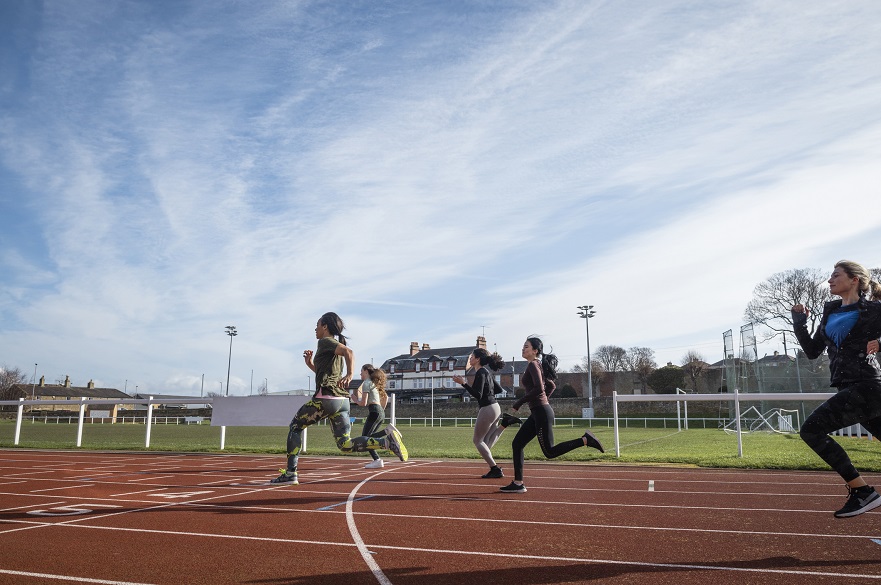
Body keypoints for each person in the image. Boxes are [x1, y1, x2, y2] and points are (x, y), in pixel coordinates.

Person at [271, 312, 407, 484]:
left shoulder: (325, 341)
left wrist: (350, 374)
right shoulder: (332, 346)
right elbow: (326, 373)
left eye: (317, 324)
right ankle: (386, 442)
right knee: (345, 444)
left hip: (326, 399)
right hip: (342, 402)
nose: (315, 328)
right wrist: (310, 364)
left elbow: (349, 352)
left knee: (295, 427)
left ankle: (291, 473)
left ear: (325, 326)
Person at [792, 260, 881, 517]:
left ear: (854, 280)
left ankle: (862, 492)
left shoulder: (874, 310)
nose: (830, 280)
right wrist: (799, 323)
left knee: (811, 431)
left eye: (836, 275)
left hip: (867, 385)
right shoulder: (830, 311)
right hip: (849, 387)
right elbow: (812, 351)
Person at [499, 336, 604, 493]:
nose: (523, 349)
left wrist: (519, 403)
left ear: (535, 351)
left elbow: (539, 389)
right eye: (523, 346)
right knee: (517, 444)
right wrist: (542, 401)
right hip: (538, 412)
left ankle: (585, 440)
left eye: (526, 347)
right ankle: (518, 482)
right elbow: (551, 385)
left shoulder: (534, 365)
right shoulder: (535, 365)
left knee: (549, 452)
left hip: (541, 413)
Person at [453, 348, 510, 478]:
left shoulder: (480, 372)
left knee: (477, 441)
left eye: (472, 356)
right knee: (485, 442)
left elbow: (477, 395)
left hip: (488, 408)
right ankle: (505, 424)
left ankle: (495, 469)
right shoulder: (486, 372)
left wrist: (464, 383)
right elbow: (499, 389)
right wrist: (488, 395)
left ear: (478, 359)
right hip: (496, 407)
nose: (470, 358)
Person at [350, 364, 399, 469]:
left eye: (361, 371)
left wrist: (354, 399)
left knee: (365, 438)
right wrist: (381, 409)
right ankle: (378, 459)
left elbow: (363, 403)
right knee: (370, 437)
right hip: (379, 411)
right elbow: (385, 397)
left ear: (366, 371)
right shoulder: (374, 384)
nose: (360, 374)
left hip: (374, 412)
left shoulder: (366, 383)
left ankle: (377, 459)